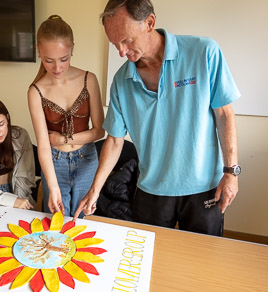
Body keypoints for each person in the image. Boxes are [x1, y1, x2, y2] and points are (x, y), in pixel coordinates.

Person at [74, 0, 241, 236]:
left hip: (204, 187)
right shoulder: (122, 81)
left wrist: (231, 172)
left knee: (202, 262)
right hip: (151, 188)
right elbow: (114, 140)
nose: (121, 52)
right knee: (145, 260)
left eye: (127, 40)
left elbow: (224, 114)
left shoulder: (203, 52)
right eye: (115, 44)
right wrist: (95, 189)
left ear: (150, 23)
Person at [27, 15, 105, 217]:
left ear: (72, 49)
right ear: (38, 51)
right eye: (48, 61)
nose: (57, 68)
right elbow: (43, 146)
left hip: (86, 159)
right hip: (54, 162)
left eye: (64, 59)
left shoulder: (89, 79)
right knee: (56, 222)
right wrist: (52, 188)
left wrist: (64, 138)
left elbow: (99, 130)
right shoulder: (36, 91)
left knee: (82, 222)